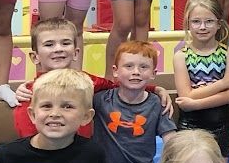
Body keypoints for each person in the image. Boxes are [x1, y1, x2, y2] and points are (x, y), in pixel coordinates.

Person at [11, 18, 172, 139]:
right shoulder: (29, 94)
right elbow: (27, 139)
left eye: (65, 43)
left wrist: (155, 89)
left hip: (84, 159)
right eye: (49, 44)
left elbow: (117, 86)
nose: (58, 49)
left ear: (75, 52)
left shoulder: (87, 82)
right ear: (35, 56)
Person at [173, 0, 229, 157]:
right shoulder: (181, 56)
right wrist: (223, 83)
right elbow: (187, 94)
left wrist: (194, 103)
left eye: (209, 21)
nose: (202, 27)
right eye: (196, 22)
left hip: (220, 123)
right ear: (188, 24)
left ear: (219, 24)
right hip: (190, 124)